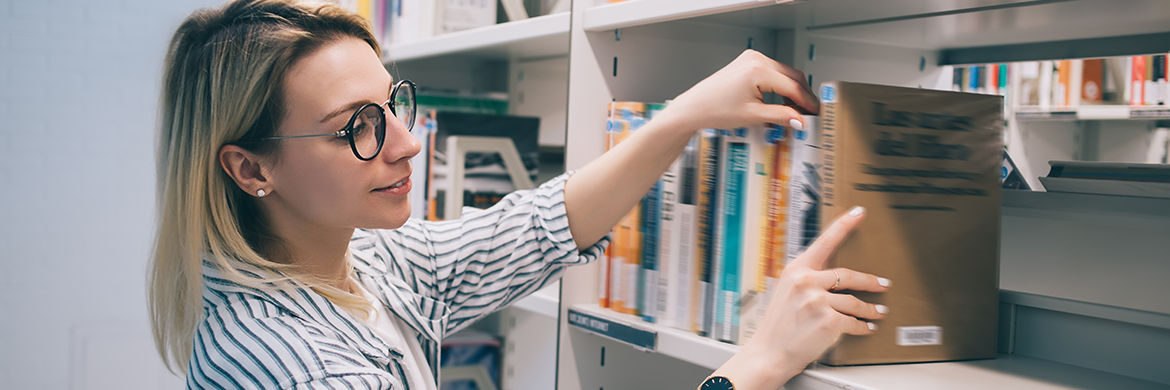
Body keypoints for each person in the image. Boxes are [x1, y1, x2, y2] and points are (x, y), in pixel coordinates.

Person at [148, 0, 890, 389]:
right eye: (357, 129)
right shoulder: (297, 367)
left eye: (394, 105)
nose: (407, 144)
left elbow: (532, 229)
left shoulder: (359, 261)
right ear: (251, 171)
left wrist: (685, 115)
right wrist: (754, 367)